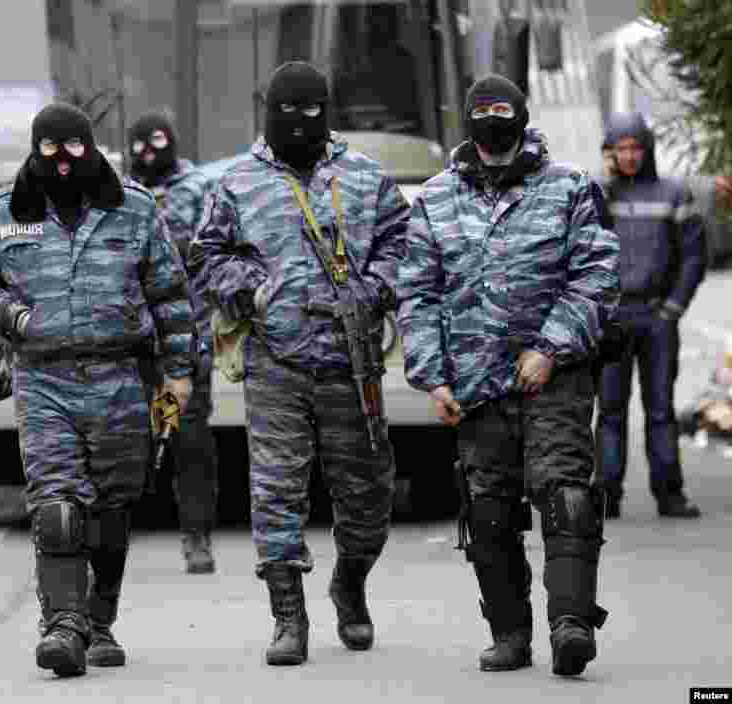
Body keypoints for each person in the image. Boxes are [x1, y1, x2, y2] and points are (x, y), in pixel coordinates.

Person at [0, 103, 195, 676]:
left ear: (93, 147)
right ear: (35, 151)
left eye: (75, 148)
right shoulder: (3, 211)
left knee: (112, 508)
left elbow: (170, 296)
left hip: (120, 379)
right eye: (50, 149)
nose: (63, 160)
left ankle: (100, 618)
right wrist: (10, 316)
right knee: (59, 506)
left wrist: (179, 373)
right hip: (44, 380)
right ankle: (63, 626)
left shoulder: (133, 209)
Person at [396, 74, 619, 677]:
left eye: (504, 110)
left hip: (554, 378)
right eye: (483, 111)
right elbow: (416, 294)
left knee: (564, 494)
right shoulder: (436, 198)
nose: (494, 120)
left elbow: (597, 276)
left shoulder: (570, 188)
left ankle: (570, 625)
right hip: (474, 385)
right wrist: (432, 377)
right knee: (488, 509)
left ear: (522, 117)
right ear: (467, 121)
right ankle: (510, 634)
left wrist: (551, 346)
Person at [189, 61, 406, 666]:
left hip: (352, 362)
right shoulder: (237, 182)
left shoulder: (364, 177)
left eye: (313, 112)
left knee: (368, 499)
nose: (301, 124)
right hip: (277, 361)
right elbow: (205, 259)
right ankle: (289, 615)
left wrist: (377, 288)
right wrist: (252, 287)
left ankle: (350, 583)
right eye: (289, 112)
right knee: (277, 491)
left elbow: (402, 243)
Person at [594, 112, 707, 519]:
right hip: (613, 316)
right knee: (609, 409)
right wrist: (604, 185)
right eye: (619, 148)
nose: (628, 156)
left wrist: (672, 309)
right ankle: (606, 494)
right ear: (609, 152)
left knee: (660, 409)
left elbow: (693, 256)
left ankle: (669, 493)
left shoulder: (674, 194)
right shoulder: (597, 195)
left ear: (647, 149)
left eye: (635, 147)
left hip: (657, 316)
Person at [127, 112, 218, 574]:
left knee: (188, 436)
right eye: (140, 145)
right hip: (132, 340)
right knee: (130, 436)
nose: (148, 153)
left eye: (157, 142)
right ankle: (121, 530)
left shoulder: (198, 188)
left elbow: (215, 250)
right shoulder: (119, 193)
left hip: (181, 337)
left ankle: (195, 533)